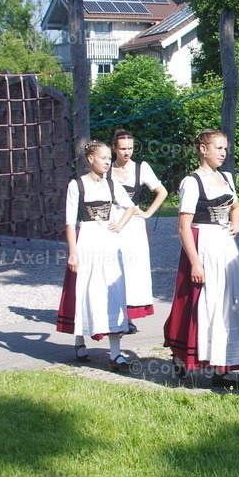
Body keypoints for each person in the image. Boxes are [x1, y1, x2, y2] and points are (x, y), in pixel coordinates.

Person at [163, 129, 239, 389]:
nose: (223, 153)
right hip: (202, 245)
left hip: (224, 247)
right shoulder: (192, 182)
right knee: (199, 303)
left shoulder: (226, 178)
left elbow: (236, 206)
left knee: (228, 303)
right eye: (218, 148)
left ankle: (222, 368)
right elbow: (183, 226)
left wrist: (235, 224)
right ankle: (182, 355)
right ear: (203, 149)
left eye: (225, 148)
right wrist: (195, 262)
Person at [56, 140, 137, 371]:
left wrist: (119, 225)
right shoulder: (77, 185)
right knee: (85, 290)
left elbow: (130, 206)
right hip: (88, 240)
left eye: (109, 159)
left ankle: (115, 353)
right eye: (103, 158)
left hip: (108, 242)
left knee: (112, 292)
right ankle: (79, 339)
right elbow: (70, 222)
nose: (107, 162)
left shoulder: (113, 184)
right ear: (90, 159)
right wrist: (73, 252)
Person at [109, 129, 168, 333]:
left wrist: (148, 212)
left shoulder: (141, 168)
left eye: (130, 148)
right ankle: (111, 312)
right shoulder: (106, 167)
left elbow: (162, 191)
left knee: (132, 269)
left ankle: (128, 315)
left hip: (132, 223)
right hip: (111, 221)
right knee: (111, 267)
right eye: (123, 148)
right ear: (114, 148)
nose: (127, 152)